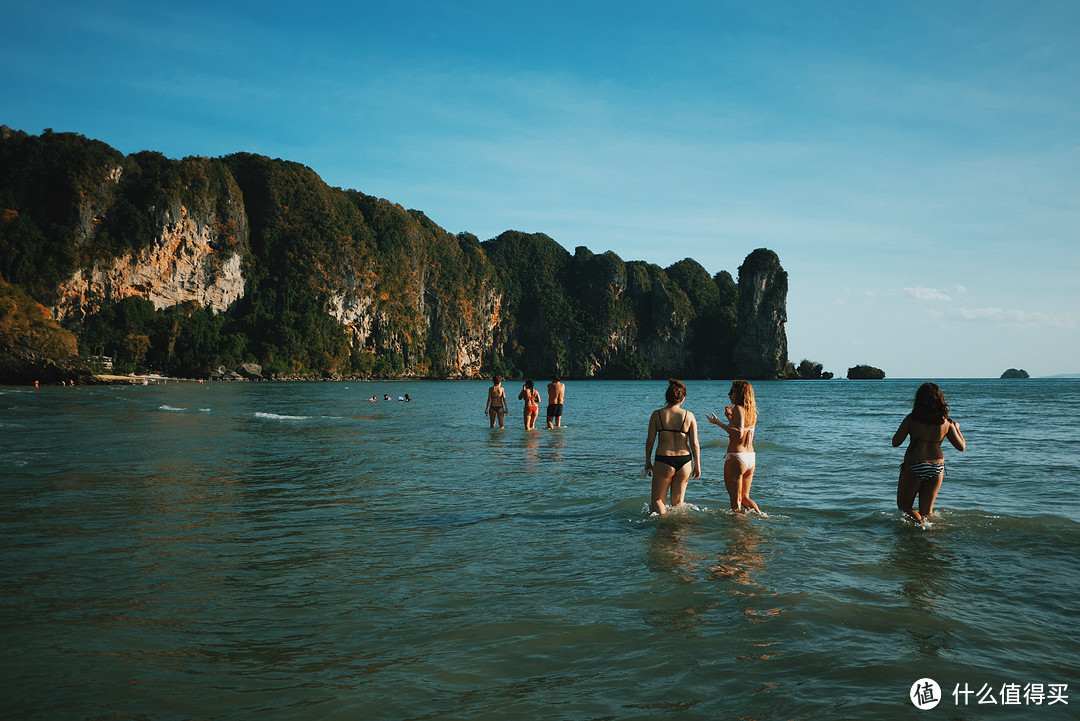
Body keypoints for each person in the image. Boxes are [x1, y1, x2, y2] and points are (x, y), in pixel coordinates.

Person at [892, 382, 966, 523]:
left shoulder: (911, 419)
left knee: (905, 507)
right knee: (927, 511)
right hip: (937, 467)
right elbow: (961, 447)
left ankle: (920, 526)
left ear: (918, 399)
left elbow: (895, 442)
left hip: (914, 465)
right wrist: (957, 428)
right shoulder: (946, 423)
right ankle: (929, 536)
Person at [707, 380, 764, 515]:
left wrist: (718, 423)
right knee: (745, 498)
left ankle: (738, 531)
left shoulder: (738, 408)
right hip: (750, 457)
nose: (729, 394)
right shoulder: (752, 411)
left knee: (735, 502)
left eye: (732, 391)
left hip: (737, 457)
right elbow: (743, 430)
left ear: (739, 393)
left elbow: (738, 433)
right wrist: (730, 419)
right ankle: (762, 517)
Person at [644, 378, 701, 515]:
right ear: (683, 398)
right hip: (685, 461)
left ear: (666, 397)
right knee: (678, 503)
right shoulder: (689, 416)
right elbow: (694, 443)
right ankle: (677, 532)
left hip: (664, 459)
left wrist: (647, 461)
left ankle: (663, 526)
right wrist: (697, 464)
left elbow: (650, 441)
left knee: (657, 501)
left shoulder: (657, 415)